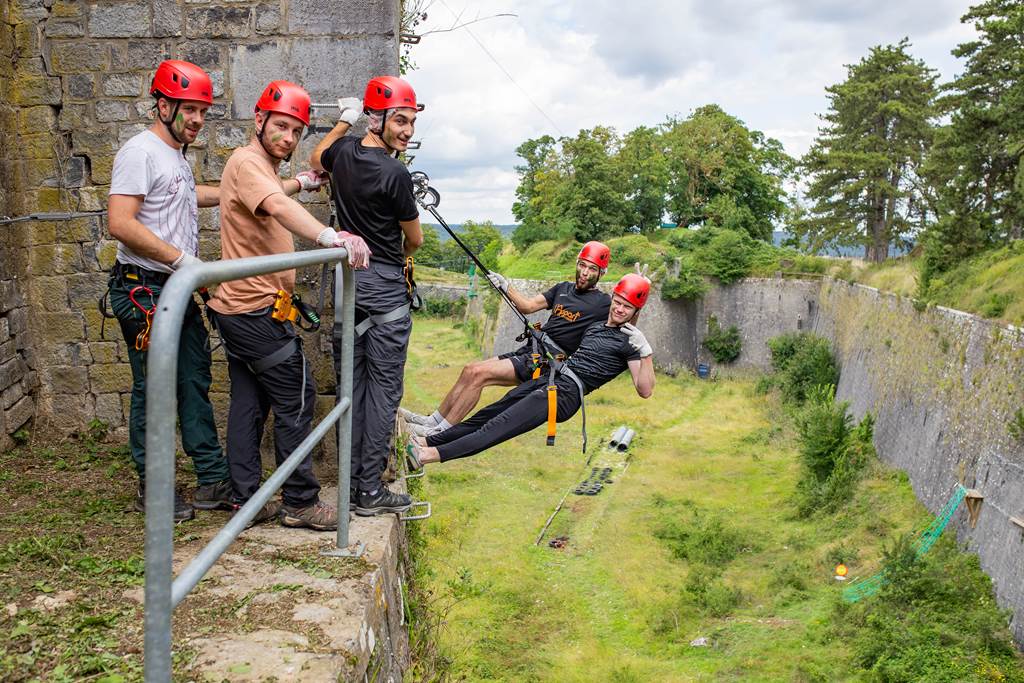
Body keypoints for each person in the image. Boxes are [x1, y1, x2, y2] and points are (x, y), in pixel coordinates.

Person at [207, 80, 371, 531]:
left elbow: (272, 191)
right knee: (297, 397)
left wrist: (302, 181)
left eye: (297, 131)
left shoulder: (255, 164)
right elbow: (276, 204)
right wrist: (330, 236)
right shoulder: (247, 161)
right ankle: (300, 501)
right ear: (258, 120)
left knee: (248, 404)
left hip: (240, 309)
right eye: (281, 126)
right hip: (255, 310)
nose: (289, 138)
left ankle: (246, 499)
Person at [106, 59, 231, 522]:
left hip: (175, 286)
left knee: (194, 378)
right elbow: (120, 223)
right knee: (155, 387)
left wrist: (247, 192)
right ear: (163, 106)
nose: (197, 119)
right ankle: (155, 485)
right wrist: (181, 260)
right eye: (189, 109)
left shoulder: (174, 155)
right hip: (144, 289)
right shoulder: (140, 152)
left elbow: (186, 195)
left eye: (203, 111)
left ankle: (212, 479)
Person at [310, 75, 424, 516]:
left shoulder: (343, 152)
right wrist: (396, 252)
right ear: (377, 120)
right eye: (400, 121)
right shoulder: (395, 173)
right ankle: (369, 490)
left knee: (351, 387)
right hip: (385, 285)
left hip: (348, 283)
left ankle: (351, 483)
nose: (407, 131)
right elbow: (414, 240)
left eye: (411, 122)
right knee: (383, 391)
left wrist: (345, 120)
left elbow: (316, 157)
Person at [408, 274, 655, 464]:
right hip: (552, 378)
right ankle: (425, 440)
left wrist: (646, 353)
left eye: (627, 307)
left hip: (566, 395)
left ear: (635, 311)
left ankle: (426, 456)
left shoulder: (631, 344)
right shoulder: (596, 326)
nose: (619, 309)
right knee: (489, 414)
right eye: (618, 302)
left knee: (498, 425)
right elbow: (541, 311)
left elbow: (644, 390)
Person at [401, 241, 613, 437]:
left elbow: (624, 314)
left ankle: (440, 432)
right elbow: (528, 306)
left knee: (479, 374)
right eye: (582, 265)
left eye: (592, 269)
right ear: (577, 264)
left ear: (602, 273)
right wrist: (505, 285)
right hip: (530, 351)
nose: (585, 273)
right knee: (469, 370)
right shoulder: (562, 289)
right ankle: (432, 421)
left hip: (546, 363)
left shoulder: (603, 303)